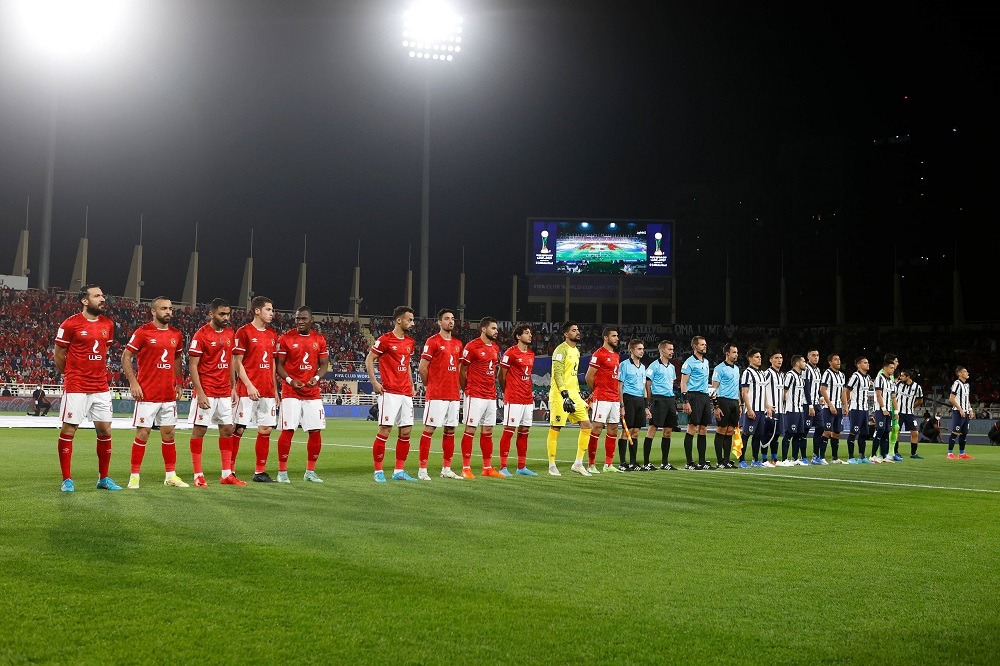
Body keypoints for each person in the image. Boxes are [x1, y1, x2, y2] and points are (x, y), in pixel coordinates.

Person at [53, 284, 120, 492]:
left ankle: (104, 478)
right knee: (70, 428)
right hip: (77, 386)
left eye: (102, 295)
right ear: (84, 300)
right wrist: (70, 375)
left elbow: (103, 351)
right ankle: (67, 479)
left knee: (105, 430)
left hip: (100, 385)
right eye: (97, 295)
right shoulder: (70, 324)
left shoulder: (108, 324)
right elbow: (58, 355)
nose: (102, 299)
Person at [121, 296, 187, 489]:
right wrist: (133, 382)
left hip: (168, 393)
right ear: (153, 311)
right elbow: (127, 356)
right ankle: (134, 476)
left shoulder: (176, 334)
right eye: (164, 308)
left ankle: (171, 475)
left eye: (171, 309)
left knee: (169, 433)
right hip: (147, 393)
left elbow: (176, 359)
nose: (168, 312)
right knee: (143, 433)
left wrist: (179, 383)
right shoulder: (143, 332)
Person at [273, 306, 329, 483]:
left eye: (304, 318)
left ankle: (310, 472)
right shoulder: (286, 338)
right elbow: (279, 365)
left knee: (315, 431)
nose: (300, 321)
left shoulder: (319, 339)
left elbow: (324, 365)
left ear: (311, 320)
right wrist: (290, 381)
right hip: (291, 392)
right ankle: (282, 473)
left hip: (312, 393)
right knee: (288, 430)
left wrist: (316, 378)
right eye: (298, 319)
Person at [188, 298, 239, 486]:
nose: (226, 318)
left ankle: (226, 474)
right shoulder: (201, 335)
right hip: (207, 389)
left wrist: (233, 387)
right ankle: (198, 475)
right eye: (222, 314)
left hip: (224, 390)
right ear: (211, 314)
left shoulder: (230, 333)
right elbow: (193, 365)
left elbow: (231, 362)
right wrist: (199, 392)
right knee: (199, 430)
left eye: (228, 314)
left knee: (227, 430)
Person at [233, 295, 281, 483]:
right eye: (268, 310)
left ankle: (260, 471)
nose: (272, 313)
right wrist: (248, 385)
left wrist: (275, 390)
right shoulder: (243, 332)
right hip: (247, 390)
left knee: (266, 429)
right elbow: (237, 363)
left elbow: (272, 364)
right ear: (257, 310)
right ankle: (230, 469)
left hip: (267, 391)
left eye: (272, 310)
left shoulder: (272, 335)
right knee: (238, 429)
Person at [366, 306, 416, 482]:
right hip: (390, 392)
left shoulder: (410, 342)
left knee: (406, 431)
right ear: (399, 320)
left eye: (412, 320)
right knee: (385, 430)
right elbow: (369, 359)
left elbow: (408, 364)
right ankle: (378, 472)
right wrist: (375, 382)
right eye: (409, 319)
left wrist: (411, 384)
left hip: (405, 393)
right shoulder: (385, 340)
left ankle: (399, 471)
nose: (412, 323)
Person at [416, 308, 464, 480]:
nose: (451, 321)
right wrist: (430, 385)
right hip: (437, 393)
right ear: (439, 322)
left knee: (450, 430)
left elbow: (458, 368)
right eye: (446, 319)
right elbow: (422, 367)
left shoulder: (458, 344)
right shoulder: (433, 341)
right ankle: (422, 469)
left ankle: (447, 468)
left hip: (453, 394)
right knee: (429, 429)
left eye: (452, 319)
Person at [458, 316, 505, 479]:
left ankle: (487, 468)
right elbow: (462, 371)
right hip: (475, 394)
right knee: (470, 429)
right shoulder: (472, 346)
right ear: (483, 329)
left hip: (490, 395)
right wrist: (467, 390)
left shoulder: (496, 348)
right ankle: (466, 468)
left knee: (488, 430)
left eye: (497, 329)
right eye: (493, 328)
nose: (496, 331)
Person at [546, 322, 594, 477]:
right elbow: (558, 374)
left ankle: (578, 463)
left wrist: (577, 395)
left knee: (587, 425)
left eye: (578, 330)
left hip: (574, 394)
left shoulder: (576, 350)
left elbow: (571, 375)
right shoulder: (561, 350)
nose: (577, 332)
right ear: (566, 334)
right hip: (560, 395)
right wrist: (565, 395)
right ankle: (552, 465)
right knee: (556, 428)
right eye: (574, 330)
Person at [497, 323, 538, 476]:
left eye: (530, 333)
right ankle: (503, 467)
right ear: (518, 336)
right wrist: (507, 390)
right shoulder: (510, 353)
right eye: (527, 333)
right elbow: (501, 375)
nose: (530, 335)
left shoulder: (531, 354)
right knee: (509, 431)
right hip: (513, 397)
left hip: (527, 398)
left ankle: (521, 467)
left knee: (525, 431)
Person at [584, 327, 623, 474]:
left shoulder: (616, 356)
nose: (617, 338)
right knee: (597, 428)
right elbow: (589, 376)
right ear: (606, 338)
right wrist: (596, 390)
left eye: (617, 336)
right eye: (614, 336)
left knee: (613, 429)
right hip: (602, 396)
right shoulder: (598, 354)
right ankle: (591, 465)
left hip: (614, 398)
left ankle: (608, 464)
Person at [680, 335, 713, 470]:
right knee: (692, 428)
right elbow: (683, 382)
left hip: (705, 396)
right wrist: (686, 401)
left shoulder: (706, 362)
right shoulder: (689, 363)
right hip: (693, 396)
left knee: (703, 429)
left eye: (705, 344)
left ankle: (702, 461)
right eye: (702, 344)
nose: (704, 346)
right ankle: (689, 462)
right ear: (695, 346)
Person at [644, 340, 678, 469]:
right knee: (652, 429)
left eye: (672, 349)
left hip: (670, 400)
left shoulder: (672, 367)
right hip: (658, 399)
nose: (672, 352)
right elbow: (648, 383)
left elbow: (671, 383)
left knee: (668, 431)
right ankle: (646, 463)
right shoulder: (653, 366)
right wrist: (649, 400)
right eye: (669, 349)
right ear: (662, 350)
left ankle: (665, 463)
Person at [739, 348, 773, 468]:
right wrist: (749, 409)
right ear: (750, 359)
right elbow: (744, 392)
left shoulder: (761, 373)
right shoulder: (747, 372)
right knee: (746, 434)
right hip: (752, 409)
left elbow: (762, 393)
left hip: (760, 410)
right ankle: (741, 460)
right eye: (756, 357)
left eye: (760, 357)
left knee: (758, 435)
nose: (759, 359)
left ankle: (755, 460)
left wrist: (767, 406)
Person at [618, 338, 648, 470]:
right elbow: (619, 386)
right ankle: (623, 462)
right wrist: (621, 405)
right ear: (632, 350)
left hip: (640, 400)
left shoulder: (643, 367)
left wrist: (646, 406)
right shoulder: (624, 365)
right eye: (639, 349)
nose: (642, 351)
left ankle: (633, 462)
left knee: (636, 432)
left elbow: (644, 388)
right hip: (628, 399)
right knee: (626, 431)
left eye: (642, 349)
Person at [710, 342, 740, 469]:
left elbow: (737, 388)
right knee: (721, 430)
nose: (736, 355)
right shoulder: (719, 368)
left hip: (734, 401)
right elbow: (713, 388)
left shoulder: (737, 368)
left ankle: (726, 460)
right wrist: (716, 406)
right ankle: (719, 460)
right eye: (734, 352)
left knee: (730, 431)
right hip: (723, 401)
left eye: (737, 352)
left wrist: (740, 403)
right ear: (727, 353)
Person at [842, 356, 873, 464]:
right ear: (859, 365)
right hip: (856, 409)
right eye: (865, 362)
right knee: (853, 432)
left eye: (867, 362)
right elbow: (846, 390)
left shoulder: (868, 377)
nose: (867, 364)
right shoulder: (855, 376)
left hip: (864, 409)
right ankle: (851, 457)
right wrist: (848, 403)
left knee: (864, 433)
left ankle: (862, 456)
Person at [780, 354, 809, 466]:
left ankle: (794, 458)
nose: (805, 363)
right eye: (803, 361)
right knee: (789, 433)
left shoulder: (801, 377)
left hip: (799, 410)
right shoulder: (790, 375)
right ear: (797, 363)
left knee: (799, 434)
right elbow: (784, 391)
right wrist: (784, 405)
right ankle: (784, 459)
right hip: (791, 410)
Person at [819, 354, 847, 463]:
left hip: (839, 407)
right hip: (828, 407)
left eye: (839, 359)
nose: (838, 361)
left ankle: (835, 458)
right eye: (836, 360)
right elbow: (823, 389)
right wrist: (830, 405)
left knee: (837, 432)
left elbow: (843, 392)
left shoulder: (842, 375)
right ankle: (820, 457)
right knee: (827, 431)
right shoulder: (827, 373)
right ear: (830, 362)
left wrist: (845, 406)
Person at [870, 357, 898, 463]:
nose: (893, 370)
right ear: (885, 368)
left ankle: (883, 456)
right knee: (880, 430)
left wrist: (895, 412)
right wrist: (883, 408)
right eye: (891, 368)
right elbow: (878, 394)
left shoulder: (890, 382)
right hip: (880, 409)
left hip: (888, 410)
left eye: (893, 368)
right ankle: (873, 455)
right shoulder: (879, 378)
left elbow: (893, 397)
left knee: (886, 432)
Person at [760, 350, 785, 467]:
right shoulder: (768, 373)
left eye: (780, 357)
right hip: (770, 410)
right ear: (771, 360)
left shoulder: (781, 375)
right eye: (776, 358)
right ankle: (764, 460)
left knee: (776, 435)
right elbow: (761, 389)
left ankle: (774, 459)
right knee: (767, 435)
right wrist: (767, 406)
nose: (779, 360)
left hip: (780, 410)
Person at [895, 368, 925, 458]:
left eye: (903, 376)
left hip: (909, 413)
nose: (900, 377)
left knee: (915, 433)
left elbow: (920, 400)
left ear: (908, 377)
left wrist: (911, 406)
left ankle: (913, 453)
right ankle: (895, 452)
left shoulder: (917, 387)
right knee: (896, 432)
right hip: (899, 413)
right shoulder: (898, 384)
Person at [804, 349, 826, 464]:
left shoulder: (817, 370)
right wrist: (810, 405)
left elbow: (816, 388)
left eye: (817, 355)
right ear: (808, 357)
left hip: (817, 404)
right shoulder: (806, 369)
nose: (816, 357)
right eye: (813, 355)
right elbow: (806, 389)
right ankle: (801, 457)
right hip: (809, 405)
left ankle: (815, 456)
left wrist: (820, 397)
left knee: (821, 428)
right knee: (804, 430)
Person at [947, 366, 973, 460]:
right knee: (955, 432)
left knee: (964, 433)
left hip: (965, 413)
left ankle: (962, 453)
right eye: (965, 371)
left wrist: (970, 410)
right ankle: (950, 454)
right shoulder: (957, 383)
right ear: (959, 374)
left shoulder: (967, 385)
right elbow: (951, 398)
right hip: (958, 412)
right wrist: (960, 409)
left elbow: (967, 400)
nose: (967, 373)